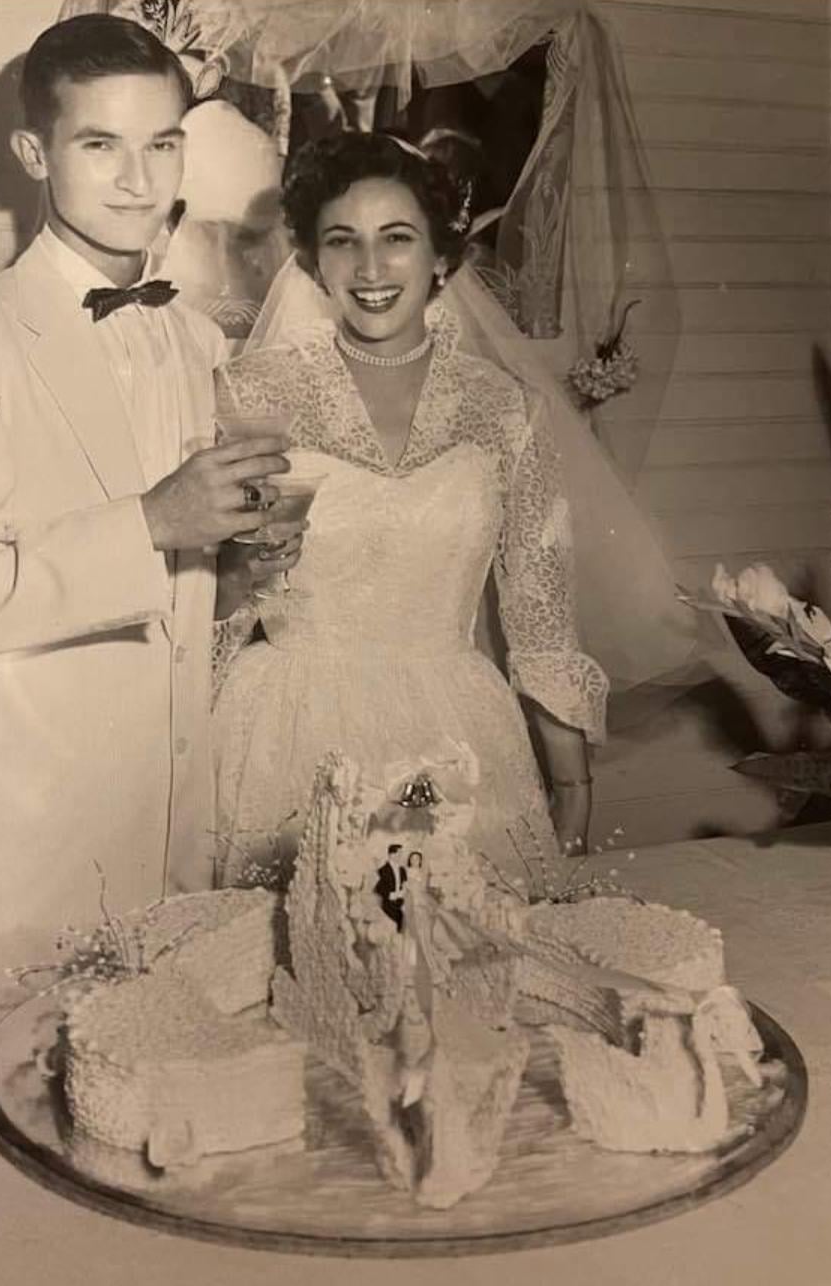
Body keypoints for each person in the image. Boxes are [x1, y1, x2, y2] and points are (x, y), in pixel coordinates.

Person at [0, 14, 298, 945]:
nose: (139, 180)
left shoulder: (197, 340)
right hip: (17, 854)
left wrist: (233, 574)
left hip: (169, 846)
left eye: (162, 144)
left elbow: (169, 611)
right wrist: (150, 523)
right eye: (101, 145)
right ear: (34, 153)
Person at [212, 132, 608, 889]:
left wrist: (573, 788)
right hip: (285, 733)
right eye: (342, 241)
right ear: (311, 261)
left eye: (396, 238)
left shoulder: (505, 409)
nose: (369, 268)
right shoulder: (249, 392)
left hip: (456, 737)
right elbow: (209, 614)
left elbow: (542, 623)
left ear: (441, 258)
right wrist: (240, 574)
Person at [374, 845, 408, 931]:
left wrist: (402, 893)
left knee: (400, 927)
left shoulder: (402, 870)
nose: (401, 855)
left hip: (400, 902)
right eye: (399, 853)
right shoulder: (382, 870)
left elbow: (405, 885)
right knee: (389, 928)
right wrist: (390, 895)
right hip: (388, 904)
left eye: (401, 853)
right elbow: (378, 888)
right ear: (391, 855)